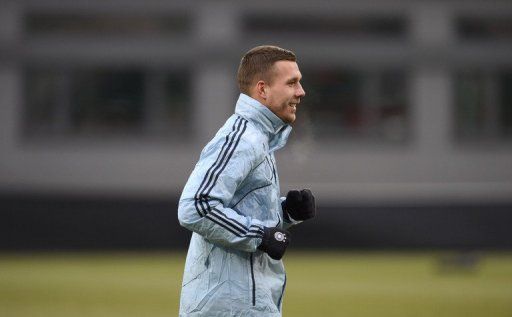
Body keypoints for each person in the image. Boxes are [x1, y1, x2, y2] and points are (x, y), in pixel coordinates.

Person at [177, 45, 316, 316]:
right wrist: (259, 235)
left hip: (243, 303)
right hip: (228, 307)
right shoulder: (243, 138)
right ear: (262, 90)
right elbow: (195, 206)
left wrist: (286, 211)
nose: (301, 92)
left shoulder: (259, 138)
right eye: (292, 83)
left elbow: (238, 208)